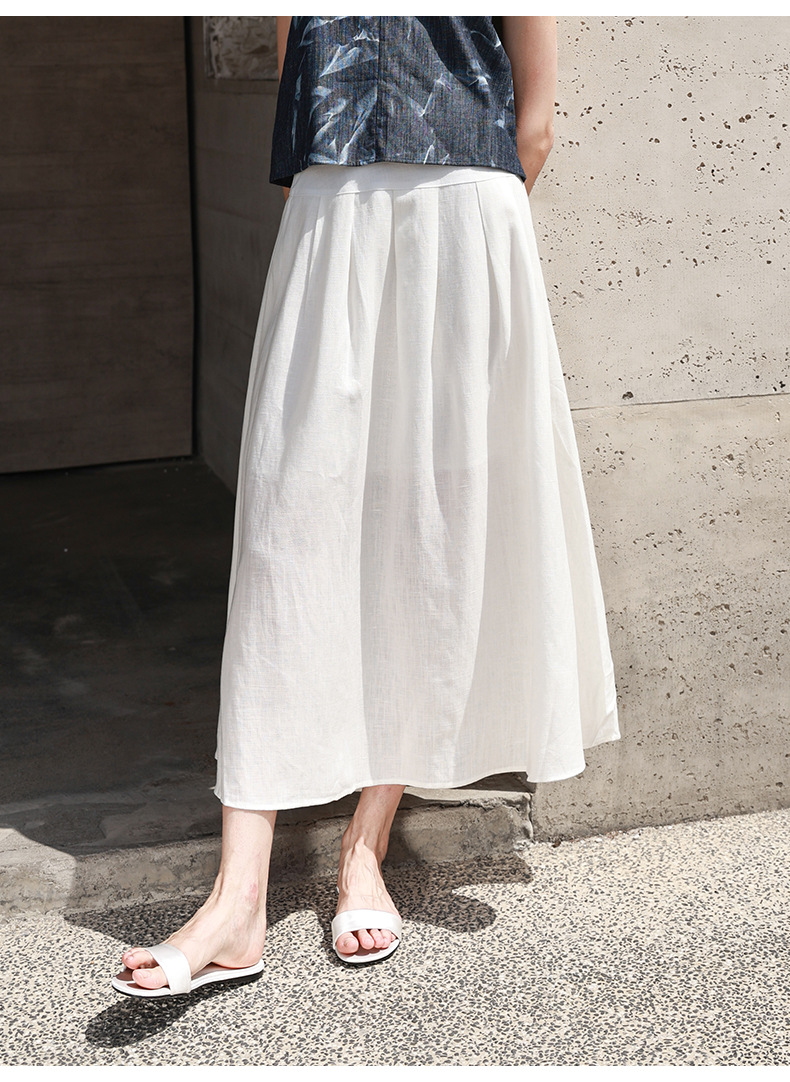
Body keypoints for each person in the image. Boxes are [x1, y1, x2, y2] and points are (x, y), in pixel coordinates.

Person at [113, 15, 620, 997]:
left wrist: (457, 237)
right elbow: (296, 77)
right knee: (286, 539)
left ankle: (363, 847)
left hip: (461, 213)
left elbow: (534, 124)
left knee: (423, 533)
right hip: (331, 212)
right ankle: (237, 897)